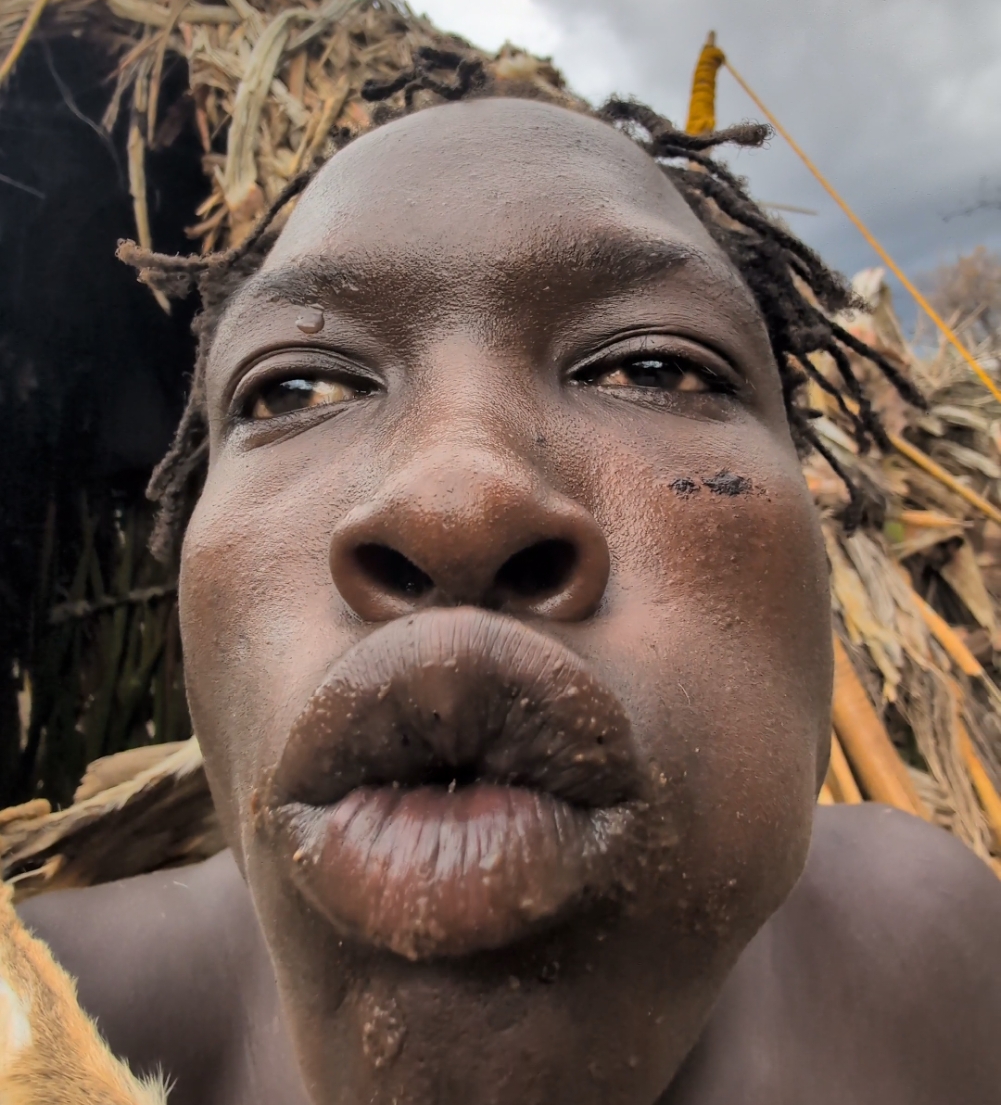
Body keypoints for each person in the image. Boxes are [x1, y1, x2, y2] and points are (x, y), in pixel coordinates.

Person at [15, 72, 1001, 1105]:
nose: (454, 502)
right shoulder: (44, 1013)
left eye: (652, 369)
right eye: (296, 387)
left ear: (812, 548)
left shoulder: (936, 953)